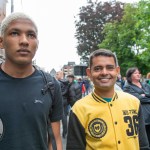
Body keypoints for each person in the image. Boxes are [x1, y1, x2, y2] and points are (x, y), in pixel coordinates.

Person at [0, 12, 63, 150]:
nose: (24, 41)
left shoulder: (51, 86)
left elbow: (55, 139)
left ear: (37, 43)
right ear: (1, 42)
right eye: (15, 33)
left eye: (31, 35)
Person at [66, 49, 150, 150]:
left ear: (117, 71)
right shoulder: (78, 109)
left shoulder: (134, 102)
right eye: (97, 69)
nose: (104, 72)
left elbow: (143, 144)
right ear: (89, 73)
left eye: (110, 68)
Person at [124, 67, 150, 146]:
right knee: (144, 137)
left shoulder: (145, 84)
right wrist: (145, 96)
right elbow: (137, 98)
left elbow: (143, 97)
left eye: (139, 73)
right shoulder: (127, 87)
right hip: (142, 115)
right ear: (130, 76)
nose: (138, 74)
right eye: (135, 73)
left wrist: (144, 95)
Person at [55, 71, 69, 138]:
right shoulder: (66, 82)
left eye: (57, 74)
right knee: (64, 117)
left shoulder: (58, 83)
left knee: (56, 117)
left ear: (61, 75)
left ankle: (56, 134)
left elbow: (57, 93)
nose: (56, 75)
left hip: (60, 100)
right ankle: (65, 133)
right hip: (65, 100)